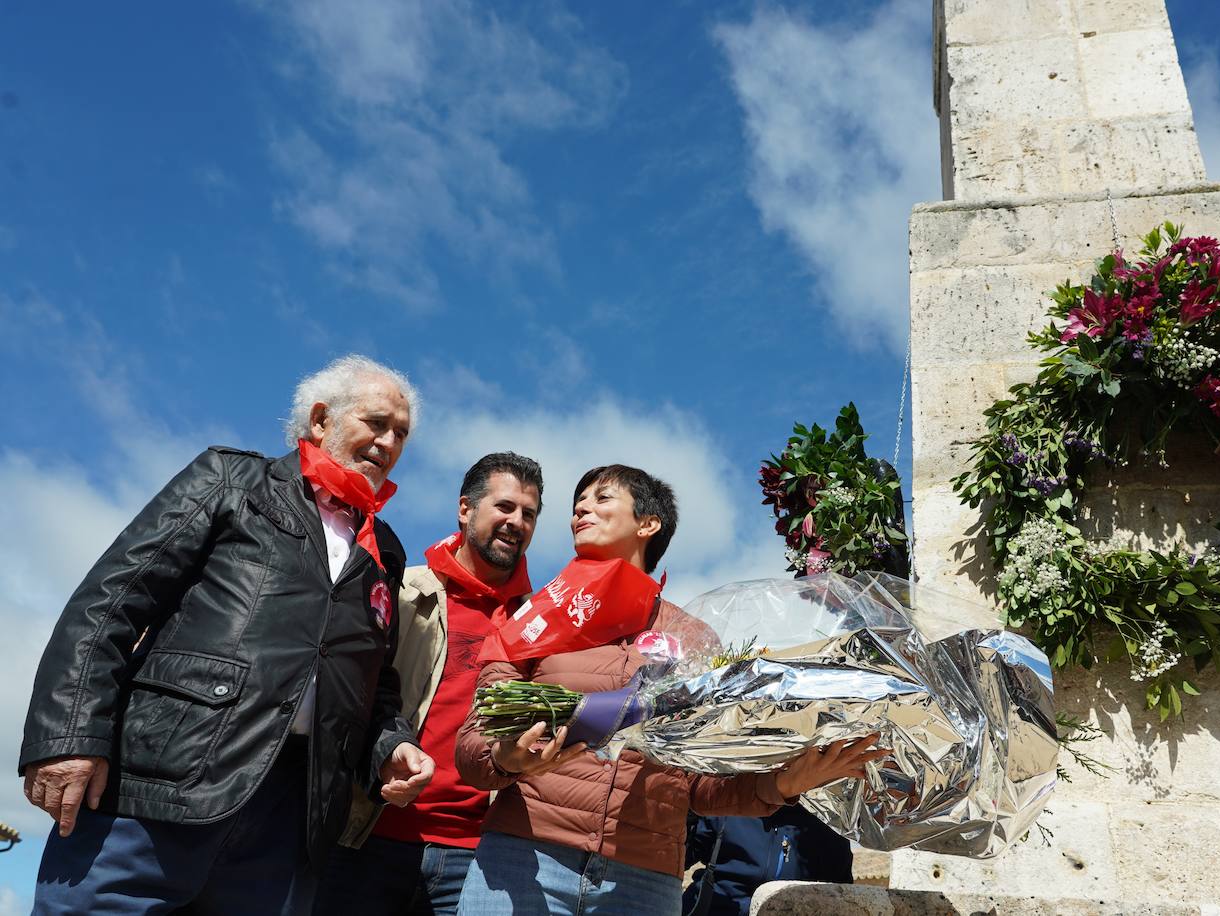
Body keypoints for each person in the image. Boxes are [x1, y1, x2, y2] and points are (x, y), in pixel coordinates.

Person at [19, 355, 435, 915]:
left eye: (401, 433)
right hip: (164, 782)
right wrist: (68, 736)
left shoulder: (384, 547)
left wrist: (392, 744)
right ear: (319, 420)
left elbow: (374, 681)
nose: (388, 442)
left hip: (293, 816)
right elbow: (111, 602)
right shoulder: (232, 480)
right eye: (376, 423)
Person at [455, 464, 887, 915]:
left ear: (648, 523)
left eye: (602, 498)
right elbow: (472, 745)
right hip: (525, 863)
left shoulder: (695, 640)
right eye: (577, 503)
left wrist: (781, 784)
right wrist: (505, 759)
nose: (580, 508)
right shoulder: (532, 618)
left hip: (643, 882)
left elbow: (700, 787)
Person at [314, 452, 544, 915]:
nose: (516, 521)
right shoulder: (396, 590)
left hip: (480, 858)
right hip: (368, 835)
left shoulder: (541, 623)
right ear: (465, 509)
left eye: (529, 514)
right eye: (504, 506)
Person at [681, 808, 853, 915]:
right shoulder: (729, 803)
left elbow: (840, 897)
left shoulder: (825, 827)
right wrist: (685, 813)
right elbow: (679, 858)